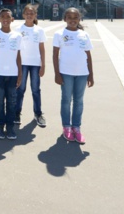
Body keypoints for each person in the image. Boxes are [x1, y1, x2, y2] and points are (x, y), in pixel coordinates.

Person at [52, 7, 94, 144]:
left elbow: (88, 55)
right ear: (65, 19)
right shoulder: (59, 34)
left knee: (79, 101)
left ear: (79, 19)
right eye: (69, 17)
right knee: (66, 100)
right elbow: (55, 55)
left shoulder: (84, 34)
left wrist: (91, 74)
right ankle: (66, 127)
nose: (72, 20)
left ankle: (76, 127)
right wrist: (57, 74)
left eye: (75, 17)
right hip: (66, 72)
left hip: (82, 73)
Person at [0, 8, 22, 140]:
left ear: (12, 19)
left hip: (13, 74)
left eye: (8, 17)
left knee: (12, 101)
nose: (5, 19)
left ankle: (10, 126)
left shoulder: (17, 36)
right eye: (2, 17)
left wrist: (20, 74)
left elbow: (19, 57)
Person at [15, 4, 47, 127]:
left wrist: (43, 65)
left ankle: (38, 114)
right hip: (22, 64)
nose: (29, 15)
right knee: (20, 89)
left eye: (31, 13)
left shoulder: (39, 30)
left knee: (35, 90)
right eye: (27, 13)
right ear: (23, 15)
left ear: (35, 15)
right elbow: (16, 49)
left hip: (35, 64)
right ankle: (17, 113)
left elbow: (42, 48)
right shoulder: (18, 29)